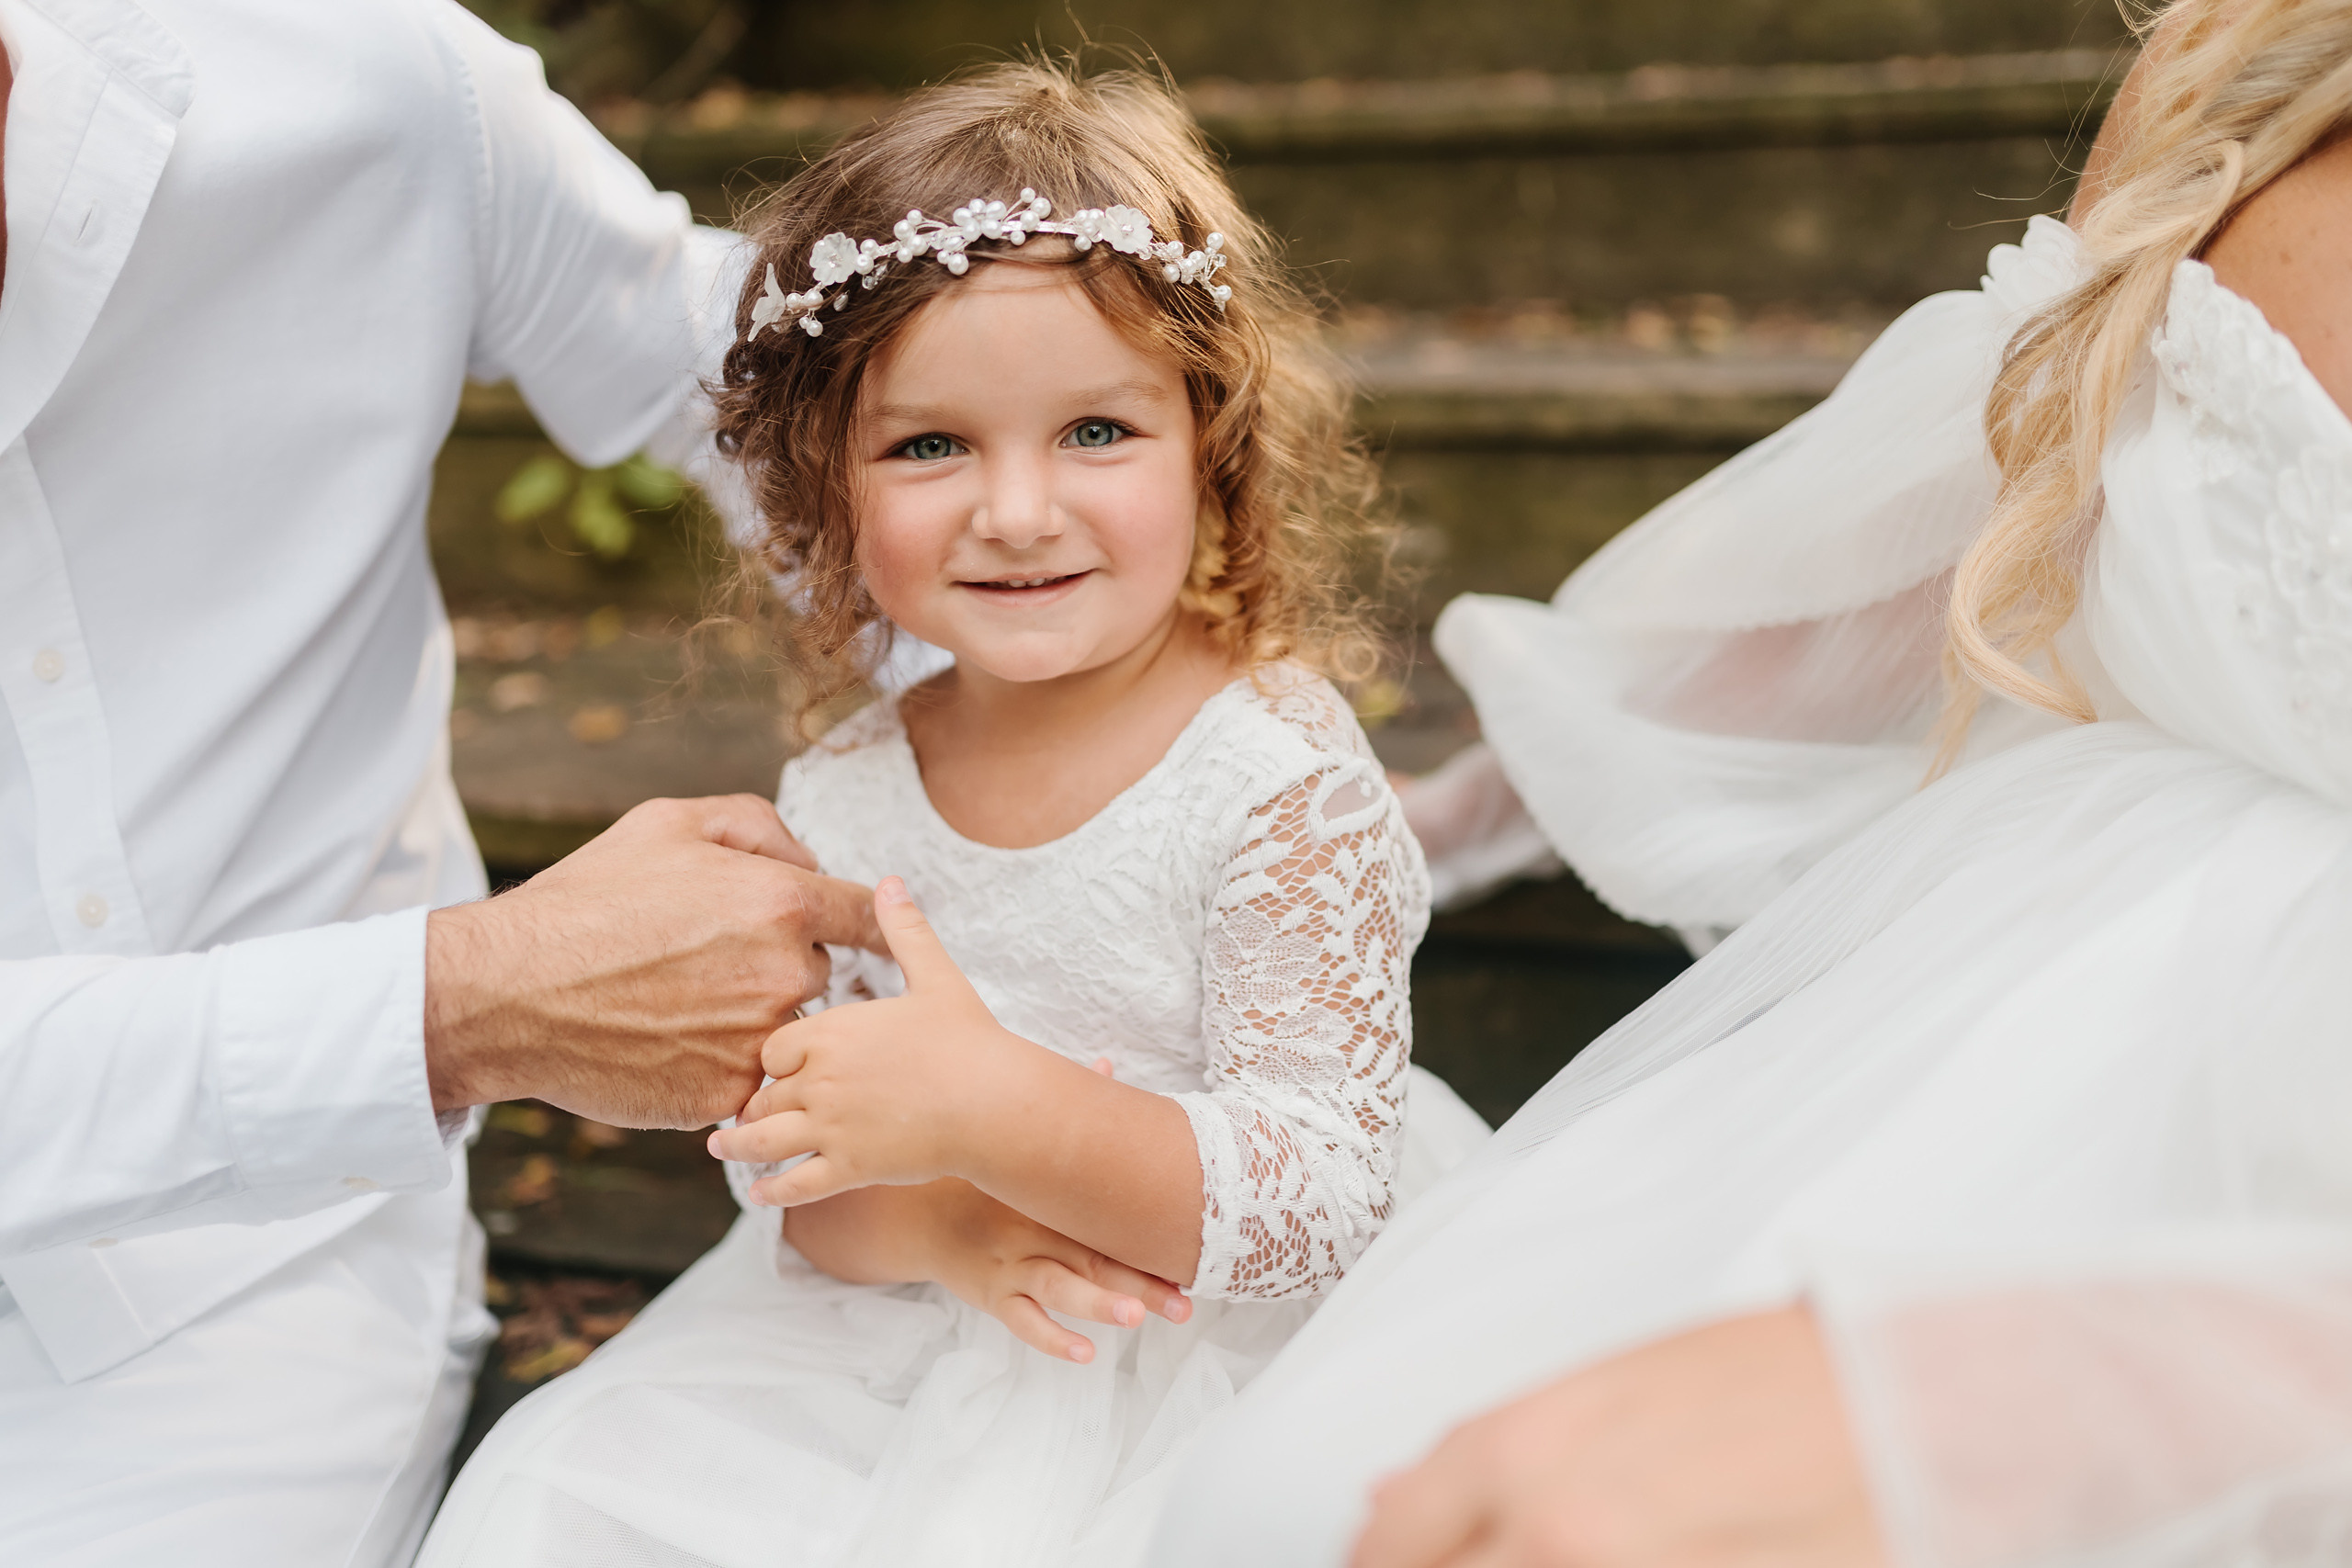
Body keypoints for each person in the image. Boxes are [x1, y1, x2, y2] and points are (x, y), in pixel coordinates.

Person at [1146, 1, 2352, 1563]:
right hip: (2027, 988)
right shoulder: (2234, 67)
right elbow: (1957, 520)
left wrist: (2031, 1400)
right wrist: (1409, 826)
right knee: (1329, 1487)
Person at [416, 62, 1492, 1568]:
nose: (1018, 509)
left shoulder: (1276, 782)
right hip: (919, 1312)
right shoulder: (849, 788)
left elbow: (1317, 1201)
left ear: (1212, 443)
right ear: (825, 490)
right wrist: (937, 1223)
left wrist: (992, 1111)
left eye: (1096, 433)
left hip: (1217, 1338)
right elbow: (802, 1177)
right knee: (562, 1491)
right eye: (931, 446)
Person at [0, 4, 881, 1563]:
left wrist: (1047, 803)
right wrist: (471, 999)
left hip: (257, 1283)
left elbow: (783, 387)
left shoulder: (361, 83)